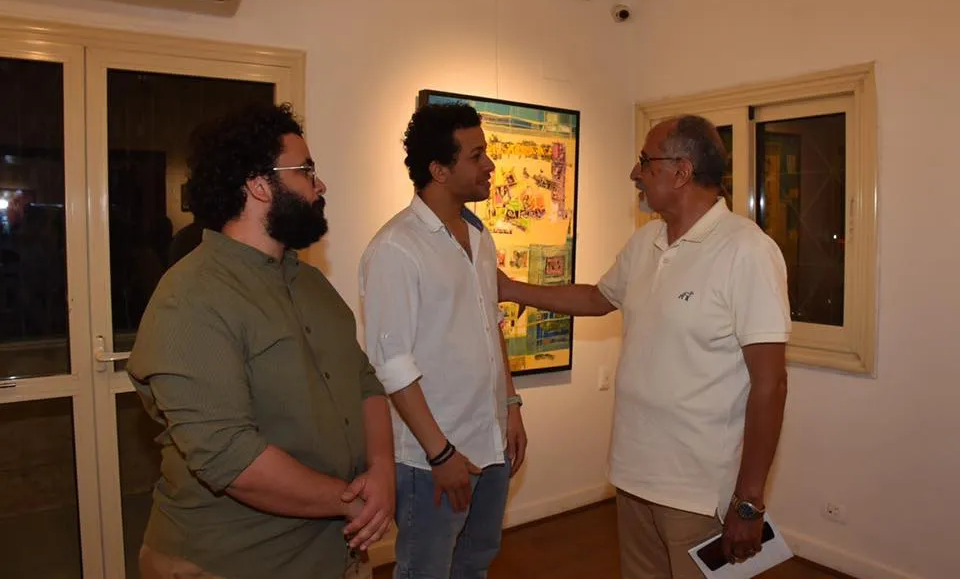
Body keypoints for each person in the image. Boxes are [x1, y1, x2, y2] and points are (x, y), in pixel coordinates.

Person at [498, 115, 791, 578]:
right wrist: (511, 288)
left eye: (645, 161)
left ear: (681, 171)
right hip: (633, 478)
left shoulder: (747, 251)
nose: (635, 173)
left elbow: (770, 385)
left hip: (696, 494)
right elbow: (595, 299)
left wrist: (749, 501)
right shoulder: (646, 241)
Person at [126, 102, 394, 579]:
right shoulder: (190, 297)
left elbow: (365, 382)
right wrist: (351, 501)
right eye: (305, 170)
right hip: (233, 562)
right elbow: (229, 456)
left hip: (335, 552)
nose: (320, 185)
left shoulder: (312, 284)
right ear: (258, 185)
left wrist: (383, 471)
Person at [358, 102, 528, 578]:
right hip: (431, 458)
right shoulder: (396, 248)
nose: (490, 165)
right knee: (425, 571)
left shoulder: (480, 236)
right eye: (476, 156)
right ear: (438, 170)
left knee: (475, 564)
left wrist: (511, 406)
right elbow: (391, 363)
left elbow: (491, 326)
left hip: (490, 442)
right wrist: (441, 452)